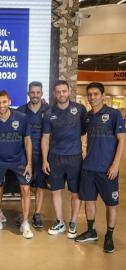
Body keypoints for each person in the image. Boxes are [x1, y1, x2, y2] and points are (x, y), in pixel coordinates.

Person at [75, 82, 125, 253]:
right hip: (89, 167)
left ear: (102, 95)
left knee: (111, 204)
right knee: (89, 201)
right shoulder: (88, 116)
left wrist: (116, 164)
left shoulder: (114, 114)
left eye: (95, 94)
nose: (92, 97)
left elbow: (122, 140)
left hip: (107, 169)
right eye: (89, 94)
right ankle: (91, 231)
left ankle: (109, 236)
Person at [41, 80, 87, 239]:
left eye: (64, 91)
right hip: (55, 158)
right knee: (56, 191)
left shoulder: (80, 109)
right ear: (54, 94)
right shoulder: (48, 113)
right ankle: (60, 222)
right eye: (58, 92)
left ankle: (73, 222)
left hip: (75, 157)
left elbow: (84, 132)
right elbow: (45, 138)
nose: (61, 94)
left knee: (76, 192)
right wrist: (45, 160)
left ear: (69, 91)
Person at [0, 90, 33, 238]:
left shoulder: (22, 118)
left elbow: (27, 140)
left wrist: (29, 163)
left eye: (4, 102)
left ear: (9, 102)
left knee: (25, 189)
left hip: (19, 160)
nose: (1, 105)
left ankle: (25, 223)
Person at [17, 81, 50, 228]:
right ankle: (24, 213)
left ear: (42, 94)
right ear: (28, 93)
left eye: (38, 92)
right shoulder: (20, 111)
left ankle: (37, 214)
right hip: (25, 156)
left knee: (40, 186)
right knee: (25, 186)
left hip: (43, 156)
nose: (35, 95)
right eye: (32, 92)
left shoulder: (49, 110)